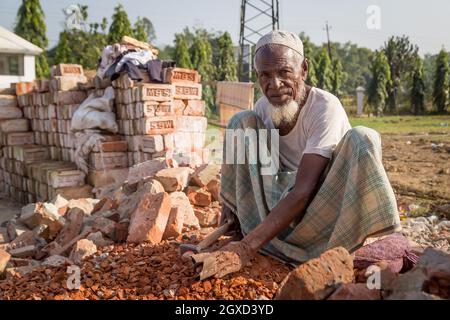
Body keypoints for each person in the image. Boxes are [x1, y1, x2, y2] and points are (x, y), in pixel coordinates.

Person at [191, 30, 401, 280]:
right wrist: (231, 204)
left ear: (304, 69)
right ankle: (246, 228)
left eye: (284, 73)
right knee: (241, 121)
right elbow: (258, 171)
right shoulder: (262, 110)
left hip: (322, 211)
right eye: (265, 75)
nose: (275, 84)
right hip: (278, 206)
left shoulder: (324, 108)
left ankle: (329, 249)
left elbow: (303, 190)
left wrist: (246, 249)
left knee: (363, 137)